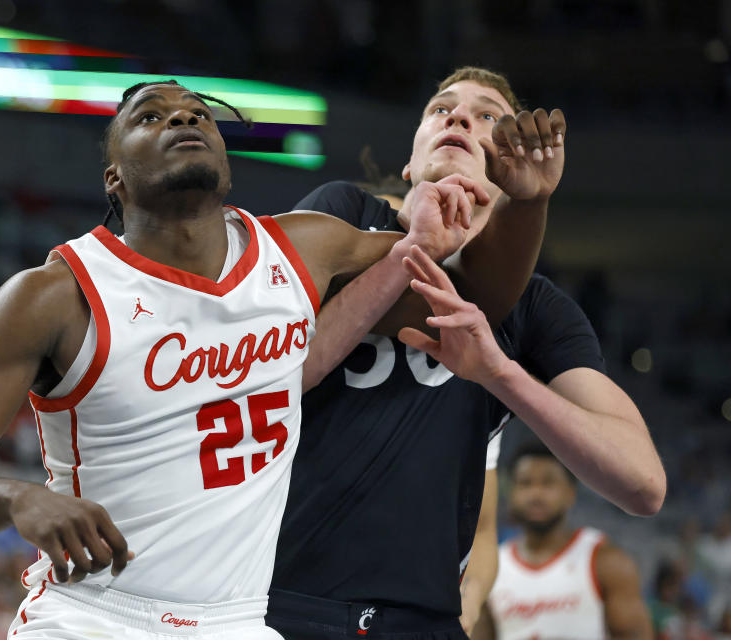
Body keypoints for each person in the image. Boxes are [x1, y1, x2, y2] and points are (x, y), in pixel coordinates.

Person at [0, 79, 551, 639]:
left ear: (226, 162)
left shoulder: (304, 250)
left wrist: (526, 203)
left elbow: (474, 299)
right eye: (152, 116)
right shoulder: (55, 295)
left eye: (199, 113)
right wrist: (16, 500)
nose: (182, 117)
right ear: (114, 174)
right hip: (92, 617)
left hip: (238, 622)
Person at [266, 67, 665, 639]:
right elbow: (261, 375)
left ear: (509, 173)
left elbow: (643, 485)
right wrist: (417, 247)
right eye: (440, 109)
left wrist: (501, 372)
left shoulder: (538, 309)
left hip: (423, 622)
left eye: (487, 117)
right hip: (280, 602)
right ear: (410, 163)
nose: (457, 117)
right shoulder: (345, 215)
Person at [474, 443, 652, 639]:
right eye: (525, 483)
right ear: (511, 493)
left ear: (571, 493)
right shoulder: (490, 568)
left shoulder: (605, 561)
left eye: (548, 483)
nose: (536, 494)